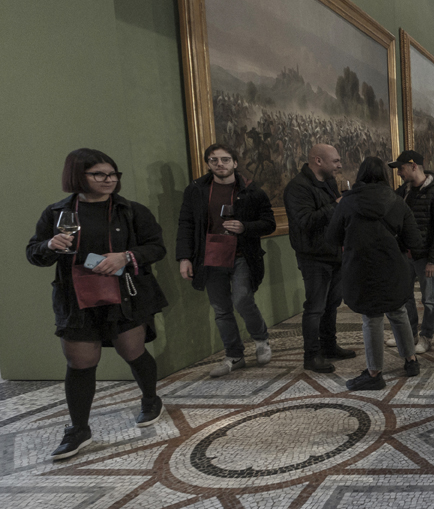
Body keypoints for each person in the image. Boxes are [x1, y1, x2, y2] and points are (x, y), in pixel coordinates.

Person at [28, 149, 169, 460]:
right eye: (100, 175)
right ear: (79, 176)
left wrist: (126, 257)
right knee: (80, 363)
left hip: (123, 293)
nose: (110, 180)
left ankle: (150, 399)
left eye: (113, 174)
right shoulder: (56, 213)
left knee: (132, 351)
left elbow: (156, 247)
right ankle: (79, 429)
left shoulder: (130, 211)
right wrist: (50, 245)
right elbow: (34, 252)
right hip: (76, 296)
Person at [176, 143, 276, 377]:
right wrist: (184, 258)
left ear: (235, 163)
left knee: (242, 299)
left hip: (242, 255)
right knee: (220, 308)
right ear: (208, 163)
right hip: (210, 256)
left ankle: (261, 339)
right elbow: (186, 224)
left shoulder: (252, 190)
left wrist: (245, 227)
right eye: (214, 160)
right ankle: (234, 354)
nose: (220, 164)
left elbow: (269, 223)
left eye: (225, 159)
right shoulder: (196, 190)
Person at [326, 157, 423, 389]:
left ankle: (374, 374)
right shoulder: (397, 202)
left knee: (371, 319)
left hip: (361, 270)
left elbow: (332, 238)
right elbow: (415, 241)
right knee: (398, 312)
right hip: (393, 268)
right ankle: (411, 361)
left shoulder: (347, 203)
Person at [284, 144, 356, 373]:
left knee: (332, 304)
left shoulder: (329, 182)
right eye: (335, 161)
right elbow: (305, 221)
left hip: (334, 252)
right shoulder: (297, 188)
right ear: (318, 161)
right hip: (313, 256)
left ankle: (329, 346)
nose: (339, 165)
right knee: (315, 308)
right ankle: (311, 355)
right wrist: (335, 206)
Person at [390, 150, 434, 354]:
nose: (399, 172)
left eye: (401, 168)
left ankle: (426, 336)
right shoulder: (404, 191)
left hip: (425, 256)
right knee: (405, 296)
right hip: (405, 254)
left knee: (429, 299)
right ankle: (411, 333)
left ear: (414, 166)